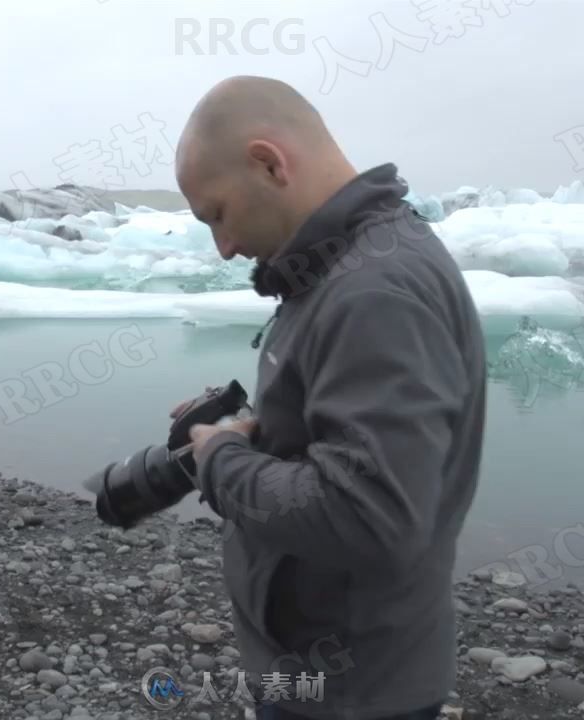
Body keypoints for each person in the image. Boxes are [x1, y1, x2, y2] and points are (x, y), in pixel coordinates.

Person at [172, 75, 488, 720]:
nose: (224, 247)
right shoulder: (338, 269)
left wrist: (219, 460)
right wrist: (259, 429)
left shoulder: (374, 290)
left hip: (352, 689)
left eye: (218, 215)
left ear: (269, 163)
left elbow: (368, 515)